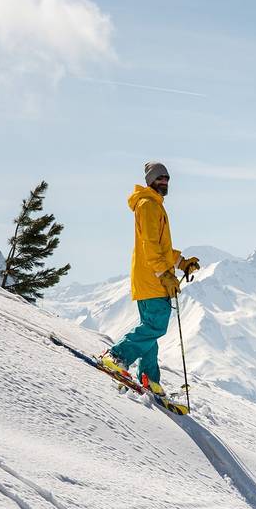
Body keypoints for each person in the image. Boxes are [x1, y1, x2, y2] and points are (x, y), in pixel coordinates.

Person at [100, 162, 199, 394]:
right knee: (156, 326)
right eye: (159, 178)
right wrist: (164, 274)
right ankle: (116, 355)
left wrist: (182, 263)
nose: (164, 182)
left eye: (167, 178)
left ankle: (149, 378)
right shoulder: (148, 205)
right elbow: (150, 246)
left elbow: (162, 248)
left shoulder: (154, 205)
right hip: (152, 279)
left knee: (150, 330)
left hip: (150, 278)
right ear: (150, 181)